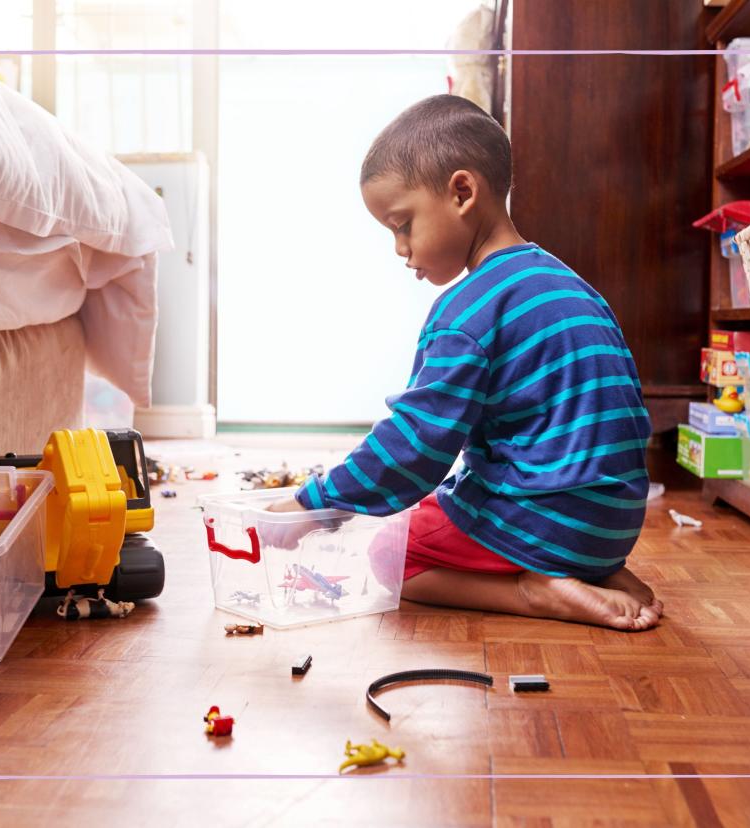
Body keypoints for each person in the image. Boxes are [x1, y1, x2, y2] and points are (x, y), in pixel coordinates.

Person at [267, 95, 661, 631]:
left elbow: (416, 446)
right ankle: (593, 571)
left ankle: (535, 590)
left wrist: (316, 506)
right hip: (612, 522)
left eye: (402, 224)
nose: (400, 248)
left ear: (461, 192)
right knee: (452, 498)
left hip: (543, 523)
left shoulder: (466, 310)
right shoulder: (573, 285)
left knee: (392, 554)